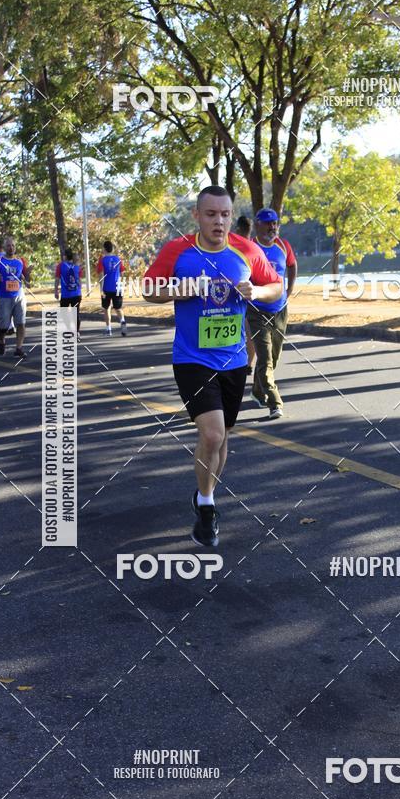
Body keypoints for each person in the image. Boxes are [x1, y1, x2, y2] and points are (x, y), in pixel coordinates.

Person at [143, 185, 282, 547]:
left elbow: (277, 288)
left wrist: (257, 291)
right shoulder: (177, 250)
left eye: (224, 214)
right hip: (192, 358)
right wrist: (180, 289)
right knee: (213, 434)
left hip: (234, 360)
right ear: (196, 216)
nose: (218, 221)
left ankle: (204, 492)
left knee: (223, 440)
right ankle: (206, 506)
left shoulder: (246, 249)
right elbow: (147, 288)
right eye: (210, 214)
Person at [247, 208, 297, 418]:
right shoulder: (250, 248)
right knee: (265, 358)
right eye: (267, 223)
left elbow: (292, 266)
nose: (272, 227)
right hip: (258, 311)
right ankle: (274, 402)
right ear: (257, 225)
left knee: (273, 358)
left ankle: (258, 392)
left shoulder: (283, 245)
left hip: (280, 310)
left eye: (275, 223)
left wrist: (288, 291)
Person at [0, 236, 31, 358]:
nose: (11, 247)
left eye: (13, 245)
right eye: (8, 245)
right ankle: (2, 340)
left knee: (21, 323)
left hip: (19, 296)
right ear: (5, 247)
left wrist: (28, 273)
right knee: (4, 326)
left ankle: (18, 348)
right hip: (4, 297)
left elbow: (26, 279)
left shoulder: (20, 261)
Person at [234, 215, 256, 374]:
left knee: (245, 329)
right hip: (256, 296)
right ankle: (249, 364)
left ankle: (244, 363)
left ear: (238, 229)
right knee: (250, 331)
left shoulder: (234, 247)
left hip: (244, 294)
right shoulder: (255, 247)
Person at [97, 240, 127, 336]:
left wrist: (101, 288)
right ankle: (122, 321)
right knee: (118, 308)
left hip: (106, 288)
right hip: (117, 287)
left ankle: (108, 329)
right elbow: (122, 273)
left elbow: (101, 275)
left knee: (106, 308)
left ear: (104, 249)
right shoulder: (118, 259)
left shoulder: (102, 260)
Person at [55, 248, 83, 337]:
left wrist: (56, 290)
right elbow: (80, 281)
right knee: (76, 313)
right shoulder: (77, 267)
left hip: (65, 295)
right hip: (76, 294)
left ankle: (69, 329)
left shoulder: (60, 266)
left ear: (65, 256)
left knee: (64, 313)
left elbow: (57, 279)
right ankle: (77, 331)